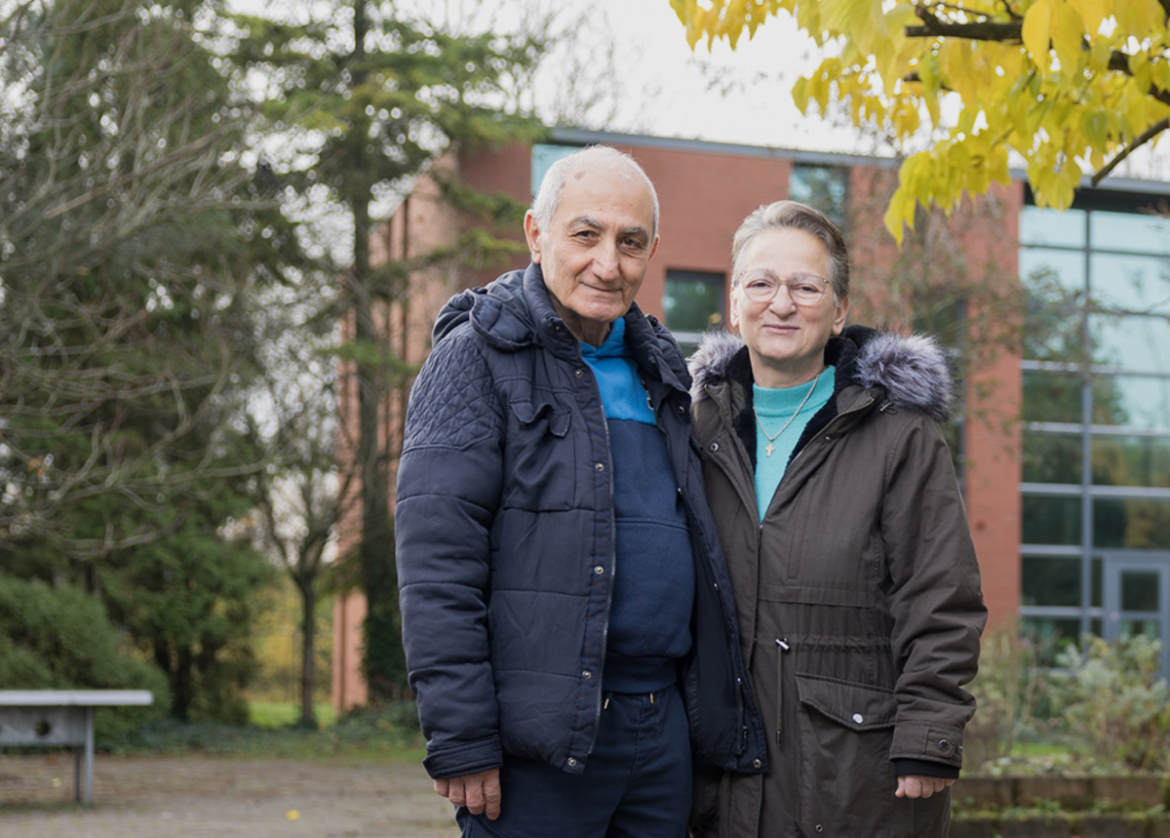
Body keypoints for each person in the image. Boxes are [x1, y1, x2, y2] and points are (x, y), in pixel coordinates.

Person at [395, 145, 767, 838]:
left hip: (661, 733)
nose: (609, 262)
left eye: (630, 243)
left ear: (652, 249)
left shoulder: (662, 370)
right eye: (586, 235)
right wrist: (461, 737)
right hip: (539, 742)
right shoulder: (474, 359)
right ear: (536, 234)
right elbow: (437, 567)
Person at [688, 200, 987, 838]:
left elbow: (941, 595)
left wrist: (929, 736)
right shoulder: (693, 426)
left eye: (805, 285)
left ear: (840, 310)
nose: (782, 303)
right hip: (717, 769)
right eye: (761, 283)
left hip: (855, 771)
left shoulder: (898, 434)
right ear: (735, 300)